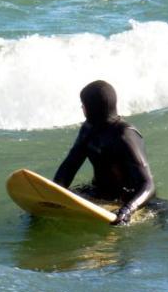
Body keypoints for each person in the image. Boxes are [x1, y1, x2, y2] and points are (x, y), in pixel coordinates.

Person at [53, 80, 155, 226]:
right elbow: (70, 165)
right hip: (97, 191)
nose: (82, 107)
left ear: (92, 108)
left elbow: (148, 184)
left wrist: (127, 209)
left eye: (84, 104)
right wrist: (55, 191)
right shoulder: (88, 129)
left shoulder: (125, 135)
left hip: (128, 198)